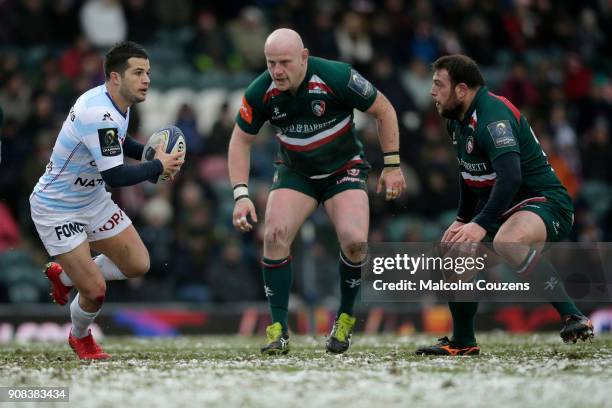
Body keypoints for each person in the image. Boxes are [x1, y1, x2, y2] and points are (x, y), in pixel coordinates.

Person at [228, 28, 406, 355]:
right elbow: (240, 139)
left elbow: (385, 110)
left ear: (304, 57)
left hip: (344, 170)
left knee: (355, 242)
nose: (277, 71)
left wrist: (392, 165)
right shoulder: (260, 91)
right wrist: (241, 195)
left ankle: (345, 318)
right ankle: (278, 328)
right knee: (274, 235)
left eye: (285, 62)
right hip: (297, 174)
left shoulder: (337, 76)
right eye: (271, 63)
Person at [417, 55, 593, 356]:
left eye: (438, 85)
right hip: (506, 208)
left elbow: (511, 178)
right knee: (453, 252)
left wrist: (480, 222)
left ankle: (572, 316)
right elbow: (468, 172)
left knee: (508, 241)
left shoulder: (492, 118)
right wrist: (462, 218)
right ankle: (462, 342)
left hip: (546, 202)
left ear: (461, 90)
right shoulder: (456, 122)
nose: (432, 91)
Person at [29, 41, 184, 360]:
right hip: (57, 208)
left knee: (138, 264)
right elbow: (115, 176)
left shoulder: (115, 104)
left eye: (148, 73)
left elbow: (116, 140)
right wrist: (157, 166)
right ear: (115, 77)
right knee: (96, 290)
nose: (147, 80)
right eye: (138, 73)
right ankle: (81, 337)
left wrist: (146, 153)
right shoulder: (97, 112)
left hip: (92, 199)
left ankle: (65, 275)